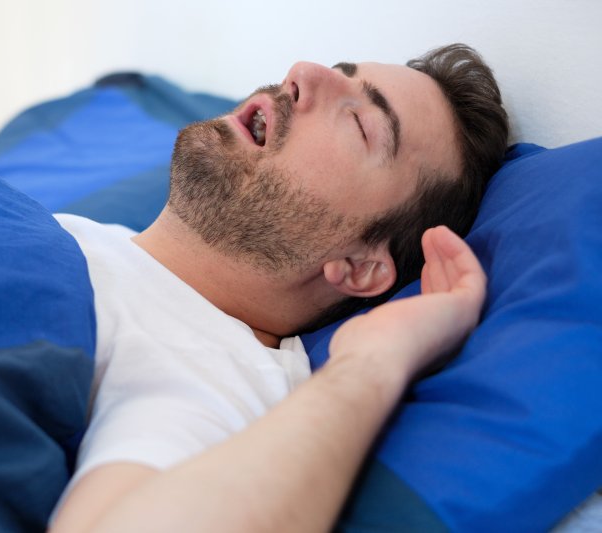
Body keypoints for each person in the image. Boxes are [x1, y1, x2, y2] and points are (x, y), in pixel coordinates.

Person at [51, 43, 509, 531]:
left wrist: (374, 359)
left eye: (359, 122)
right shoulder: (80, 239)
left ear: (359, 267)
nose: (302, 72)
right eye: (337, 72)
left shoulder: (211, 371)